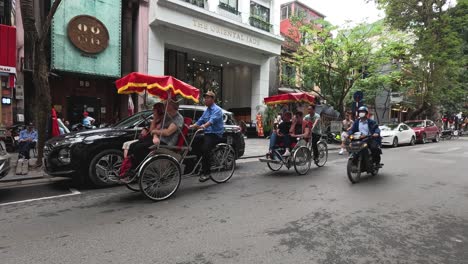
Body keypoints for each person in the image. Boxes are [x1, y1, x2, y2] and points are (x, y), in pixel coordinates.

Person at [189, 90, 224, 182]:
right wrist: (192, 126)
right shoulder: (207, 110)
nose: (205, 100)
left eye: (207, 98)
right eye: (205, 98)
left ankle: (207, 172)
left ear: (213, 99)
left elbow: (211, 121)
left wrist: (203, 126)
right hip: (207, 133)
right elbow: (200, 120)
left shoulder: (217, 110)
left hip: (215, 134)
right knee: (193, 141)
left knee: (205, 149)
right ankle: (200, 163)